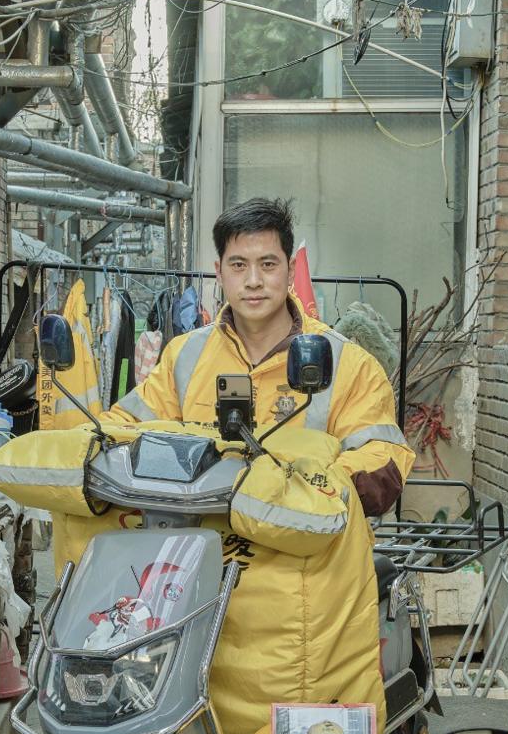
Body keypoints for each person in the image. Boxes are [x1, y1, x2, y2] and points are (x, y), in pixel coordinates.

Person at [110, 198, 415, 518]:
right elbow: (123, 430)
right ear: (219, 272)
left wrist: (308, 487)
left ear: (290, 270)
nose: (253, 280)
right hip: (202, 551)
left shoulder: (349, 364)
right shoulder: (185, 355)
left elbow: (382, 457)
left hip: (304, 555)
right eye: (238, 265)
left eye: (268, 264)